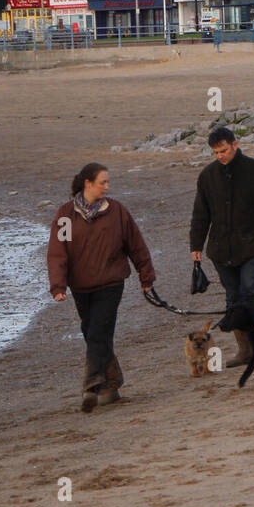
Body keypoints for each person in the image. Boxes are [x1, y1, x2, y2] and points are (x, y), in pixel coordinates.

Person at [47, 163, 156, 413]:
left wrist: (146, 277)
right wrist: (58, 285)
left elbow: (136, 244)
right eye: (102, 182)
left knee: (98, 331)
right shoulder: (66, 215)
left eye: (107, 182)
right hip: (81, 286)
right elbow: (57, 252)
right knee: (93, 333)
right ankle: (112, 385)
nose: (107, 187)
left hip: (111, 283)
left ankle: (92, 384)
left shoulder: (117, 211)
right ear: (87, 183)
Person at [189, 127, 254, 368]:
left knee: (250, 292)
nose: (220, 155)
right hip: (220, 251)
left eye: (223, 150)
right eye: (215, 152)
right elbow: (201, 214)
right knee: (233, 298)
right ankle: (246, 350)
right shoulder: (207, 176)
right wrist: (196, 245)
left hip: (252, 246)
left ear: (235, 144)